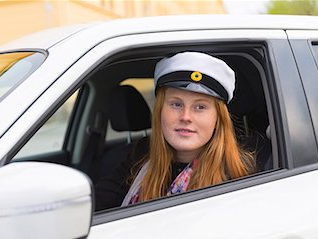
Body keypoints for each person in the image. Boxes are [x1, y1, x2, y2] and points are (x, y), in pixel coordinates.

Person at [95, 51, 256, 211]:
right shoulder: (142, 155)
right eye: (176, 104)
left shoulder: (239, 177)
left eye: (200, 107)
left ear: (217, 119)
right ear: (160, 111)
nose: (186, 117)